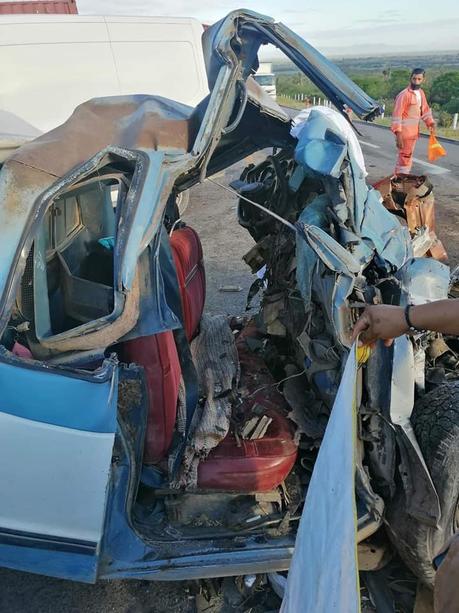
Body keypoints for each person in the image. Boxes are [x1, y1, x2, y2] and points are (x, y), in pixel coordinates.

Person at [391, 68, 436, 175]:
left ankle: (400, 180)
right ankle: (400, 181)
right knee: (404, 159)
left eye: (419, 79)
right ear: (410, 78)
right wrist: (398, 135)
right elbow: (397, 116)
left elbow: (424, 110)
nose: (416, 81)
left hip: (413, 134)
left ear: (423, 79)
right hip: (404, 134)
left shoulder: (421, 93)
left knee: (406, 158)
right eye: (414, 78)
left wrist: (430, 122)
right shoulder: (404, 95)